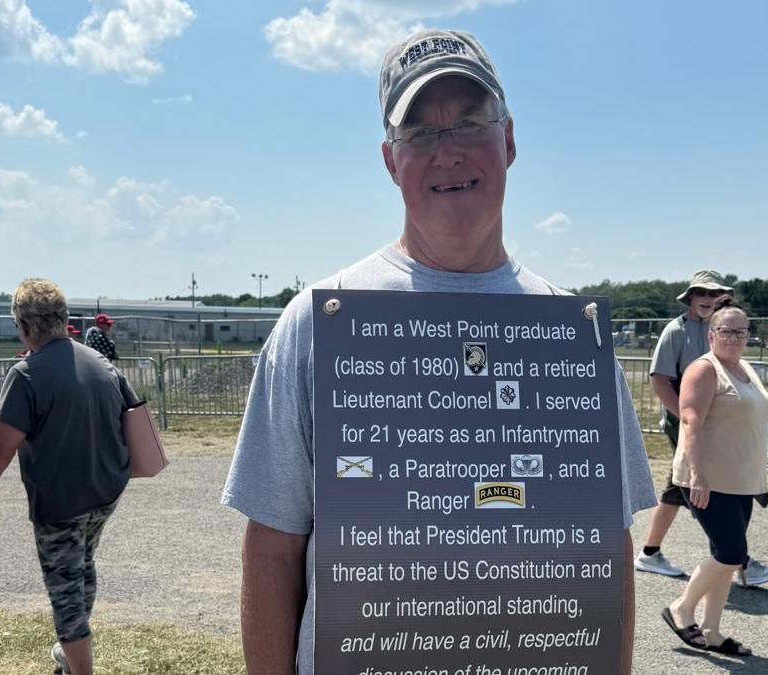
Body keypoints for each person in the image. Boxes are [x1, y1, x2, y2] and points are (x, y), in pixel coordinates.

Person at [220, 29, 657, 674]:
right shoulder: (316, 324)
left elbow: (606, 549)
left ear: (508, 141)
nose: (447, 153)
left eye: (470, 122)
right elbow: (274, 549)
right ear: (390, 161)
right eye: (420, 133)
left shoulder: (574, 335)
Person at [0, 279, 137, 675]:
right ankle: (67, 654)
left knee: (65, 592)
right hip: (104, 493)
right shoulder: (101, 363)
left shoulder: (27, 374)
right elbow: (132, 416)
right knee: (82, 567)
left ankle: (78, 665)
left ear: (23, 326)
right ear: (63, 320)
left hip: (61, 503)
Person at [634, 271, 768, 587]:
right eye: (700, 292)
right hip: (689, 422)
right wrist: (689, 420)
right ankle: (736, 558)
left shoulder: (722, 329)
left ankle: (653, 552)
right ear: (689, 297)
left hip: (717, 421)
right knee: (705, 489)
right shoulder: (676, 331)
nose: (706, 298)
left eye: (714, 293)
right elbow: (660, 379)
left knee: (678, 489)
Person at [662, 296, 768, 657]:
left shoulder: (745, 369)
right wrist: (697, 475)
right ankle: (681, 608)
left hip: (742, 481)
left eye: (742, 331)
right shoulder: (704, 369)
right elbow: (691, 420)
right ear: (711, 336)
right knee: (731, 554)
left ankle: (711, 631)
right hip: (709, 478)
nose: (735, 337)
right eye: (726, 331)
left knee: (725, 560)